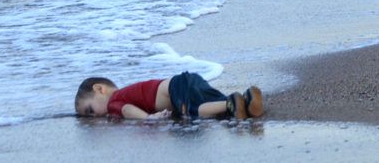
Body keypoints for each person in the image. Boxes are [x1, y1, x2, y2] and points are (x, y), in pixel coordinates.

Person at [74, 71, 264, 121]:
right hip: (186, 80)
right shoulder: (126, 92)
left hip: (175, 88)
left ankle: (231, 103)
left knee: (194, 111)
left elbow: (126, 110)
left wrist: (148, 118)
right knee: (213, 103)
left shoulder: (114, 102)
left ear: (99, 89)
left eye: (89, 110)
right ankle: (245, 100)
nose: (94, 116)